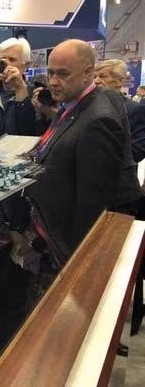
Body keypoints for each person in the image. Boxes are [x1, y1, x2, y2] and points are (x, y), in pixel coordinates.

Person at [28, 39, 129, 265]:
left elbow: (92, 206)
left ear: (87, 73)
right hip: (54, 231)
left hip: (69, 246)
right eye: (51, 73)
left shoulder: (98, 120)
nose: (53, 82)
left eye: (63, 74)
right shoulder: (71, 105)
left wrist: (77, 261)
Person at [95, 59, 145, 162]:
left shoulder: (134, 110)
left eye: (102, 76)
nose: (96, 81)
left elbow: (137, 151)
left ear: (120, 81)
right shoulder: (88, 107)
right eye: (94, 76)